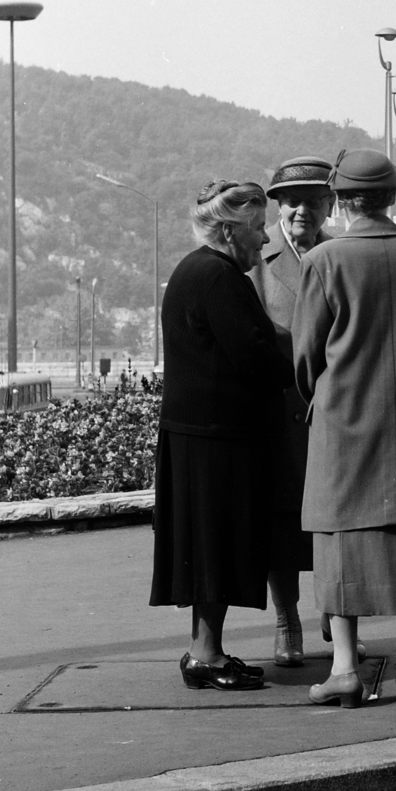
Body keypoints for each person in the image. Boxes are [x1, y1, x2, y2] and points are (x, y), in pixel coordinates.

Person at [293, 149, 396, 708]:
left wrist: (324, 398)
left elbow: (305, 357)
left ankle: (344, 668)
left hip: (344, 418)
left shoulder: (324, 259)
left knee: (340, 538)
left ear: (340, 200)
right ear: (393, 196)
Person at [150, 178, 292, 693]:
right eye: (258, 228)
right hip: (217, 441)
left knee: (209, 548)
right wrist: (305, 366)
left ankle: (205, 651)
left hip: (201, 436)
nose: (265, 239)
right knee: (218, 548)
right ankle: (205, 656)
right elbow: (255, 357)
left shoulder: (197, 269)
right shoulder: (219, 277)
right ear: (231, 232)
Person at [251, 156, 336, 667]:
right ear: (279, 205)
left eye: (314, 201)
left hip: (334, 411)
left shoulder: (342, 253)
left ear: (330, 204)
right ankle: (287, 622)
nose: (303, 210)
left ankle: (337, 617)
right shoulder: (256, 257)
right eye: (293, 201)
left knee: (335, 520)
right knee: (282, 520)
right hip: (280, 412)